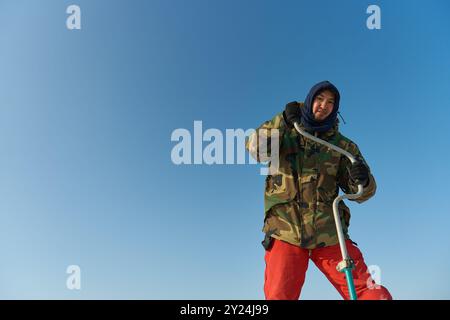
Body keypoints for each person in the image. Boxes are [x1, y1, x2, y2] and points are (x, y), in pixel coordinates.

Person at [246, 81, 392, 300]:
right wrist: (282, 120)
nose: (324, 105)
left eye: (330, 102)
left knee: (370, 293)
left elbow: (362, 193)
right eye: (319, 99)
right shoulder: (287, 133)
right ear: (309, 101)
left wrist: (363, 179)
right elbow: (256, 149)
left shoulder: (344, 146)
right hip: (287, 230)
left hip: (329, 233)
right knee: (279, 295)